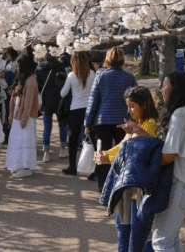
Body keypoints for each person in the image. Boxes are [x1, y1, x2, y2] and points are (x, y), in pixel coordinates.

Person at [95, 85, 159, 252]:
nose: (129, 110)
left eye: (132, 106)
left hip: (138, 188)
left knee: (134, 232)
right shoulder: (136, 123)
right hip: (126, 186)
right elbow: (123, 147)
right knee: (123, 229)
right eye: (128, 106)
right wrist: (105, 155)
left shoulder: (149, 123)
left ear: (144, 105)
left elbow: (145, 147)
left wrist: (138, 130)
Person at [150, 70, 185, 252]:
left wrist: (143, 164)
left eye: (165, 85)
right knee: (171, 238)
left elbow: (168, 155)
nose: (162, 90)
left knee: (161, 241)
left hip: (179, 183)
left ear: (176, 90)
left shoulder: (180, 114)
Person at [85, 46, 138, 191]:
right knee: (122, 153)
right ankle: (121, 184)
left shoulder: (101, 76)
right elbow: (136, 100)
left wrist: (87, 124)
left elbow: (93, 100)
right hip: (124, 120)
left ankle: (104, 187)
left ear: (107, 60)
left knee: (102, 154)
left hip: (103, 120)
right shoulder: (129, 77)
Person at [60, 50, 97, 175]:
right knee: (92, 138)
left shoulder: (71, 75)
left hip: (75, 109)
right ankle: (95, 168)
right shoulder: (92, 73)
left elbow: (63, 93)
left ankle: (72, 166)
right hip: (89, 109)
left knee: (73, 139)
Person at [7, 54, 41, 177]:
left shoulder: (30, 80)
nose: (17, 69)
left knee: (24, 140)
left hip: (24, 116)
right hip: (18, 113)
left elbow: (28, 101)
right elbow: (14, 97)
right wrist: (12, 113)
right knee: (18, 140)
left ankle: (25, 167)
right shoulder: (22, 78)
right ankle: (18, 165)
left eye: (18, 66)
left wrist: (24, 118)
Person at [36, 51, 69, 162]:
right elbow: (64, 82)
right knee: (62, 125)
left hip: (46, 100)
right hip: (59, 99)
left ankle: (46, 153)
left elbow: (38, 86)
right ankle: (63, 149)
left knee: (47, 127)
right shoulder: (60, 66)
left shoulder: (40, 68)